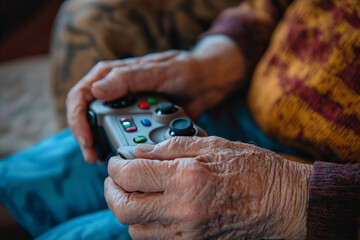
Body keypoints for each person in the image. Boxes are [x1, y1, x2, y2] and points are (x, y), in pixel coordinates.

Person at [1, 0, 359, 239]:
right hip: (234, 103)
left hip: (317, 199)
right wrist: (213, 63)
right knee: (13, 182)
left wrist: (289, 197)